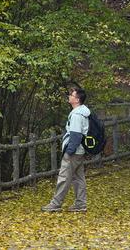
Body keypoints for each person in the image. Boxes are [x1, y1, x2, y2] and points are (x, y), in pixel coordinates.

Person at [41, 85, 90, 213]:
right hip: (80, 151)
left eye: (72, 95)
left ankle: (56, 203)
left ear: (77, 99)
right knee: (79, 178)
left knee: (64, 177)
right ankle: (81, 204)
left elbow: (76, 135)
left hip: (74, 152)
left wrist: (69, 152)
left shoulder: (77, 115)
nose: (69, 97)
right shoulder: (83, 112)